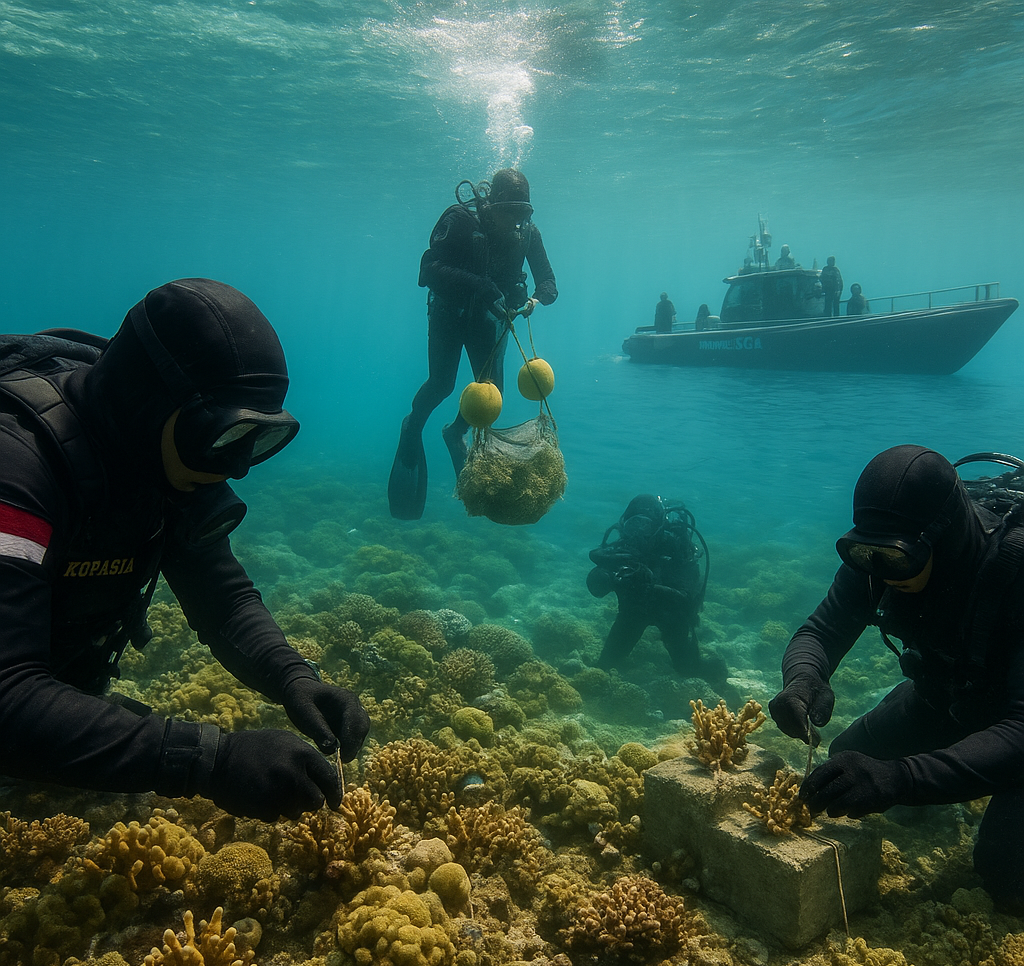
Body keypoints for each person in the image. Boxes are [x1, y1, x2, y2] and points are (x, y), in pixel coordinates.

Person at [0, 279, 370, 823]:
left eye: (258, 439)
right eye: (222, 436)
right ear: (149, 403)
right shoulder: (18, 471)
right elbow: (6, 698)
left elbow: (223, 596)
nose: (238, 466)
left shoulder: (154, 459)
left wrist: (294, 678)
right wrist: (210, 761)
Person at [768, 445, 1024, 911]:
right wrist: (802, 678)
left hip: (1019, 725)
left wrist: (900, 778)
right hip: (948, 698)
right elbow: (821, 630)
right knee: (846, 764)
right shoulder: (877, 562)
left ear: (942, 539)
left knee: (1005, 876)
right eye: (864, 552)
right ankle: (938, 794)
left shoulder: (1015, 576)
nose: (880, 570)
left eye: (896, 557)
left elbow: (1020, 730)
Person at [388, 168, 558, 520]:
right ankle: (413, 425)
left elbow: (549, 284)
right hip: (450, 315)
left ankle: (455, 433)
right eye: (508, 211)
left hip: (489, 320)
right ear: (490, 204)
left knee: (491, 391)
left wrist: (534, 302)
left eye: (521, 213)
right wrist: (480, 285)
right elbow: (428, 271)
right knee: (442, 384)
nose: (514, 220)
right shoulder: (461, 221)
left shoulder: (527, 233)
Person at [587, 494, 728, 687]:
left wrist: (648, 581)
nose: (638, 532)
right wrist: (606, 578)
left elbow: (685, 599)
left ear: (658, 525)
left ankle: (716, 674)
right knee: (605, 666)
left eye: (644, 525)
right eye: (633, 525)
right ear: (624, 525)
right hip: (633, 612)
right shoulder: (623, 549)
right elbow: (597, 589)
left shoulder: (678, 549)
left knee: (688, 672)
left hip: (672, 617)